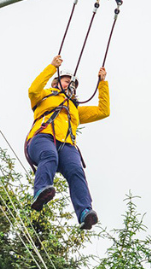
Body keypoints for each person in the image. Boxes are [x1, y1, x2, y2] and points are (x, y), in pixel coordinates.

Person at [25, 55, 109, 229]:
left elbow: (103, 111)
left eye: (73, 84)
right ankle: (40, 191)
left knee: (76, 170)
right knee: (49, 155)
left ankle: (85, 212)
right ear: (56, 83)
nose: (70, 85)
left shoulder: (75, 108)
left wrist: (102, 83)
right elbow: (33, 90)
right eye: (66, 81)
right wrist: (51, 67)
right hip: (42, 138)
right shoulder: (45, 96)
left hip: (66, 145)